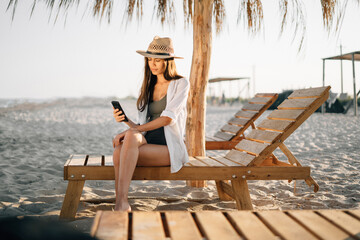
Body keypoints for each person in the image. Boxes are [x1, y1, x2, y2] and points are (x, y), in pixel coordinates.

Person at [112, 36, 189, 211]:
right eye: (149, 60)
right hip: (148, 142)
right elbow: (142, 125)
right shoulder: (149, 86)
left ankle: (121, 203)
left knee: (121, 148)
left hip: (168, 148)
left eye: (157, 60)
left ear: (167, 62)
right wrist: (125, 121)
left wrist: (133, 130)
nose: (152, 64)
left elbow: (168, 119)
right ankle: (121, 203)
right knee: (118, 151)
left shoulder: (181, 83)